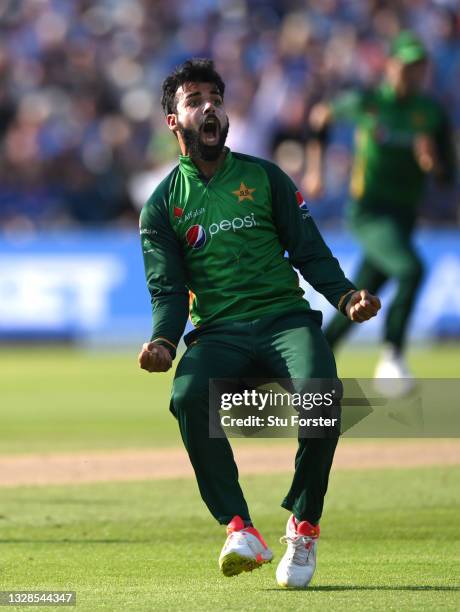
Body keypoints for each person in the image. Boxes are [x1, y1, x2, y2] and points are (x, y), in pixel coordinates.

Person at [138, 58, 380, 588]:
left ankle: (305, 525)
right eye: (195, 100)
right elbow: (168, 289)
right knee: (186, 396)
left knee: (324, 396)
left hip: (284, 319)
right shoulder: (160, 206)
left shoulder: (265, 176)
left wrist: (346, 296)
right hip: (217, 332)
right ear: (173, 121)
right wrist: (162, 340)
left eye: (216, 100)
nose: (209, 107)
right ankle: (239, 528)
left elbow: (310, 252)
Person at [304, 31, 456, 393]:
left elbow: (448, 174)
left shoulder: (431, 113)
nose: (411, 74)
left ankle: (312, 363)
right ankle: (392, 357)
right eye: (405, 66)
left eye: (418, 67)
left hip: (403, 216)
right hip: (369, 212)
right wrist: (315, 169)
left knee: (359, 296)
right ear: (390, 65)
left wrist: (432, 164)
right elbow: (321, 115)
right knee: (412, 269)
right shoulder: (368, 101)